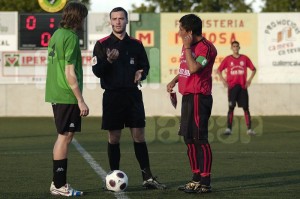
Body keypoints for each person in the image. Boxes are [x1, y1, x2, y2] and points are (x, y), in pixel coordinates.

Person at [92, 7, 166, 190]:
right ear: (110, 21)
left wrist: (142, 73)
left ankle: (147, 177)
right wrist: (108, 61)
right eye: (115, 18)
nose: (118, 21)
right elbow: (96, 71)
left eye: (121, 18)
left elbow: (145, 67)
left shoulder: (136, 44)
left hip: (133, 96)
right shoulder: (102, 44)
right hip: (112, 96)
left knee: (139, 136)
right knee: (114, 137)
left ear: (126, 21)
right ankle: (113, 177)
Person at [167, 14, 217, 194]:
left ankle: (206, 181)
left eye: (181, 29)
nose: (179, 32)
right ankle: (195, 179)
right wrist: (175, 80)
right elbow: (186, 68)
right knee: (188, 139)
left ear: (189, 31)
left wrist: (187, 48)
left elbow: (195, 67)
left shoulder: (207, 48)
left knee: (199, 138)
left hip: (199, 97)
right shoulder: (187, 46)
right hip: (187, 97)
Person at [45, 2, 89, 197]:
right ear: (79, 18)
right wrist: (80, 99)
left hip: (56, 92)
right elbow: (69, 72)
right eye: (84, 18)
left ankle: (58, 183)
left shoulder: (56, 34)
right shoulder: (70, 37)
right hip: (66, 95)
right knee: (64, 137)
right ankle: (59, 184)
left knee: (64, 136)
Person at [217, 41, 256, 136]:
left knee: (246, 108)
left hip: (242, 87)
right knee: (231, 107)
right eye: (233, 46)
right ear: (231, 48)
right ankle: (228, 129)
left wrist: (249, 80)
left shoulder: (244, 58)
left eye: (237, 46)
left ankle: (249, 129)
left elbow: (254, 69)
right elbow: (219, 70)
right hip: (232, 87)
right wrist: (223, 80)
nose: (235, 48)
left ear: (239, 47)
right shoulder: (228, 59)